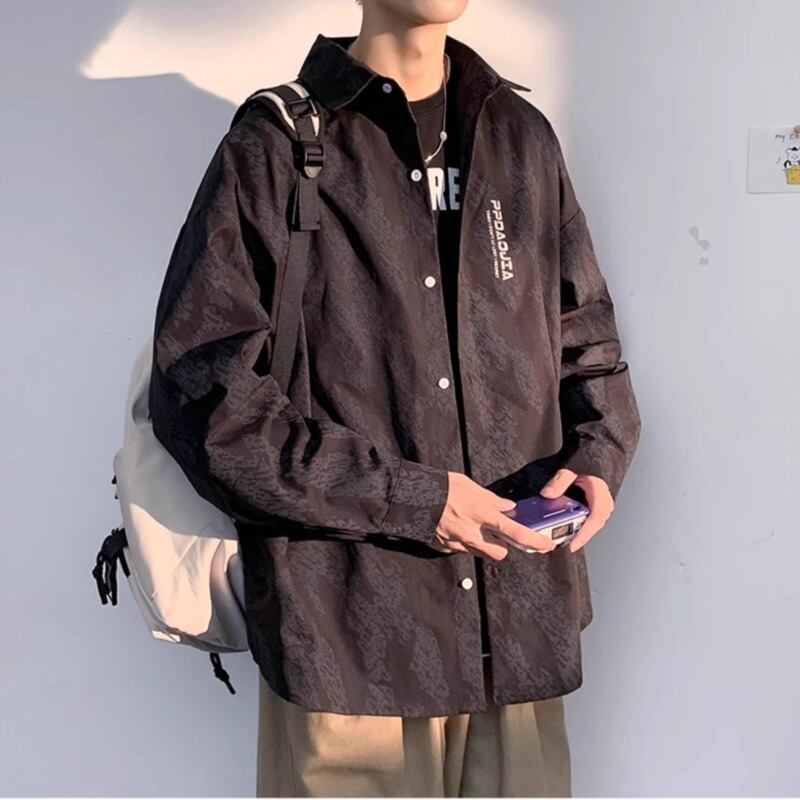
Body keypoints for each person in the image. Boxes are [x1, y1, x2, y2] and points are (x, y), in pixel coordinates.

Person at [148, 0, 642, 796]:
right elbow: (204, 396)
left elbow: (584, 336)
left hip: (517, 636)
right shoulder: (277, 146)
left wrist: (599, 453)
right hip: (354, 649)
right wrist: (412, 498)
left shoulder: (518, 136)